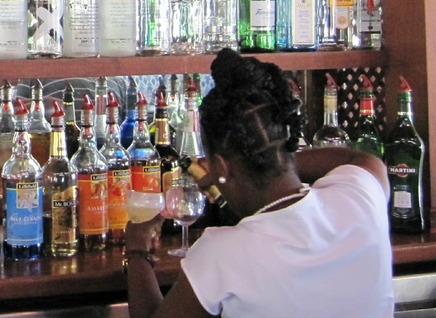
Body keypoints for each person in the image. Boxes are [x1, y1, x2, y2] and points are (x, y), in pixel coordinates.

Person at [125, 48, 393, 318]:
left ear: (223, 166)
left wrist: (137, 252)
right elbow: (357, 157)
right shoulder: (361, 198)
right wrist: (273, 158)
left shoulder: (224, 254)